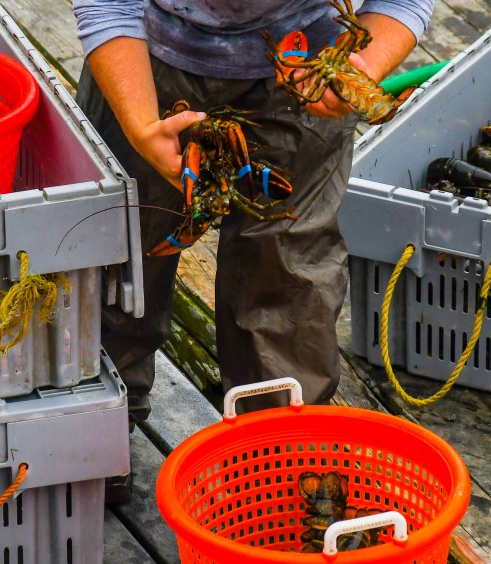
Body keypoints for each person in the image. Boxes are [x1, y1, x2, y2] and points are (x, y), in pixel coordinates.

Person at [72, 1, 432, 425]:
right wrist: (140, 126)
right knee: (120, 251)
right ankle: (97, 431)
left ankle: (277, 450)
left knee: (287, 271)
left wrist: (361, 70)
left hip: (308, 68)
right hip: (147, 54)